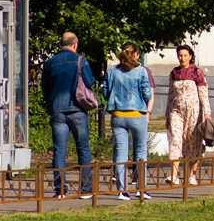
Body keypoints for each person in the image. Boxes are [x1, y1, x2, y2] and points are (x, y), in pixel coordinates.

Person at [41, 32, 96, 197]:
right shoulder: (80, 61)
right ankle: (86, 189)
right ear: (75, 44)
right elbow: (90, 83)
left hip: (58, 111)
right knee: (83, 149)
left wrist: (52, 103)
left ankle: (60, 190)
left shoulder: (50, 63)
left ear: (61, 44)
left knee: (59, 150)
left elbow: (45, 87)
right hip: (78, 110)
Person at [105, 42, 154, 200]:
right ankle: (141, 189)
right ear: (136, 55)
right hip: (137, 114)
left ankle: (122, 191)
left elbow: (105, 92)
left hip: (118, 115)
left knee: (121, 153)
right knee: (140, 151)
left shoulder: (112, 70)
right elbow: (147, 94)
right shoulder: (141, 70)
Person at [166, 44, 213, 186]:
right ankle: (175, 174)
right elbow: (170, 94)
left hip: (194, 112)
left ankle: (192, 175)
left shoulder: (197, 73)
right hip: (176, 111)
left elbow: (204, 94)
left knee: (193, 142)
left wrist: (207, 113)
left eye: (185, 55)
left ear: (190, 56)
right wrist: (167, 114)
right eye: (180, 55)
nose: (182, 58)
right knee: (175, 139)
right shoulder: (174, 73)